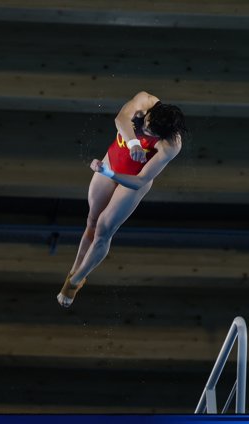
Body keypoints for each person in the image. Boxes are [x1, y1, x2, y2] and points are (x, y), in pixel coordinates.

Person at [57, 91, 187, 307]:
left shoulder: (171, 145)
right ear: (150, 113)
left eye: (150, 132)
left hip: (132, 182)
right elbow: (120, 119)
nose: (145, 129)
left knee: (103, 229)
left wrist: (109, 174)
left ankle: (76, 281)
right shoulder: (145, 100)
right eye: (146, 124)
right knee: (91, 222)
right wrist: (134, 143)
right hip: (113, 161)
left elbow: (140, 180)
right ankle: (74, 271)